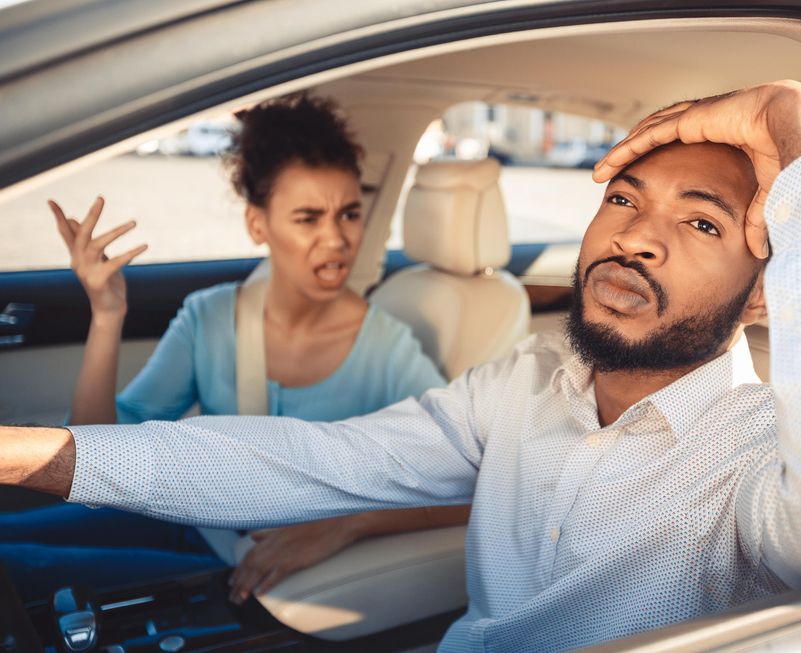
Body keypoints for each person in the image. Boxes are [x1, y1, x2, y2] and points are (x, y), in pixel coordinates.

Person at [1, 80, 801, 652]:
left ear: (762, 293)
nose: (636, 238)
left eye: (700, 221)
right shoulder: (521, 380)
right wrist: (27, 452)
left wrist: (800, 123)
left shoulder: (759, 463)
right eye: (624, 199)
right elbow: (306, 459)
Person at [0, 93, 469, 605]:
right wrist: (107, 314)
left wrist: (349, 523)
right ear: (257, 224)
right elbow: (100, 449)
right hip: (186, 516)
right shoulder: (210, 316)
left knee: (22, 567)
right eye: (308, 218)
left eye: (350, 214)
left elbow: (466, 478)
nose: (336, 239)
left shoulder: (387, 347)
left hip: (251, 571)